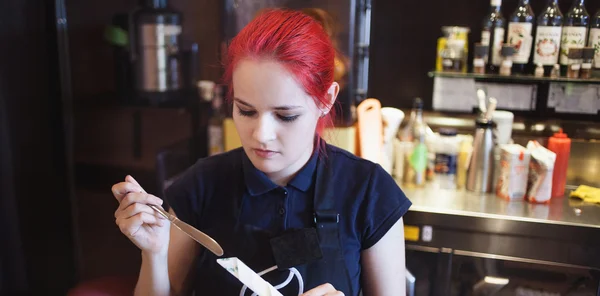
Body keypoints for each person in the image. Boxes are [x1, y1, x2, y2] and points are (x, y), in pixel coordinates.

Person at [112, 9, 412, 296]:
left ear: (327, 99)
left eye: (286, 116)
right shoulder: (202, 185)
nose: (261, 135)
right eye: (246, 110)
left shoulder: (368, 192)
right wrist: (154, 254)